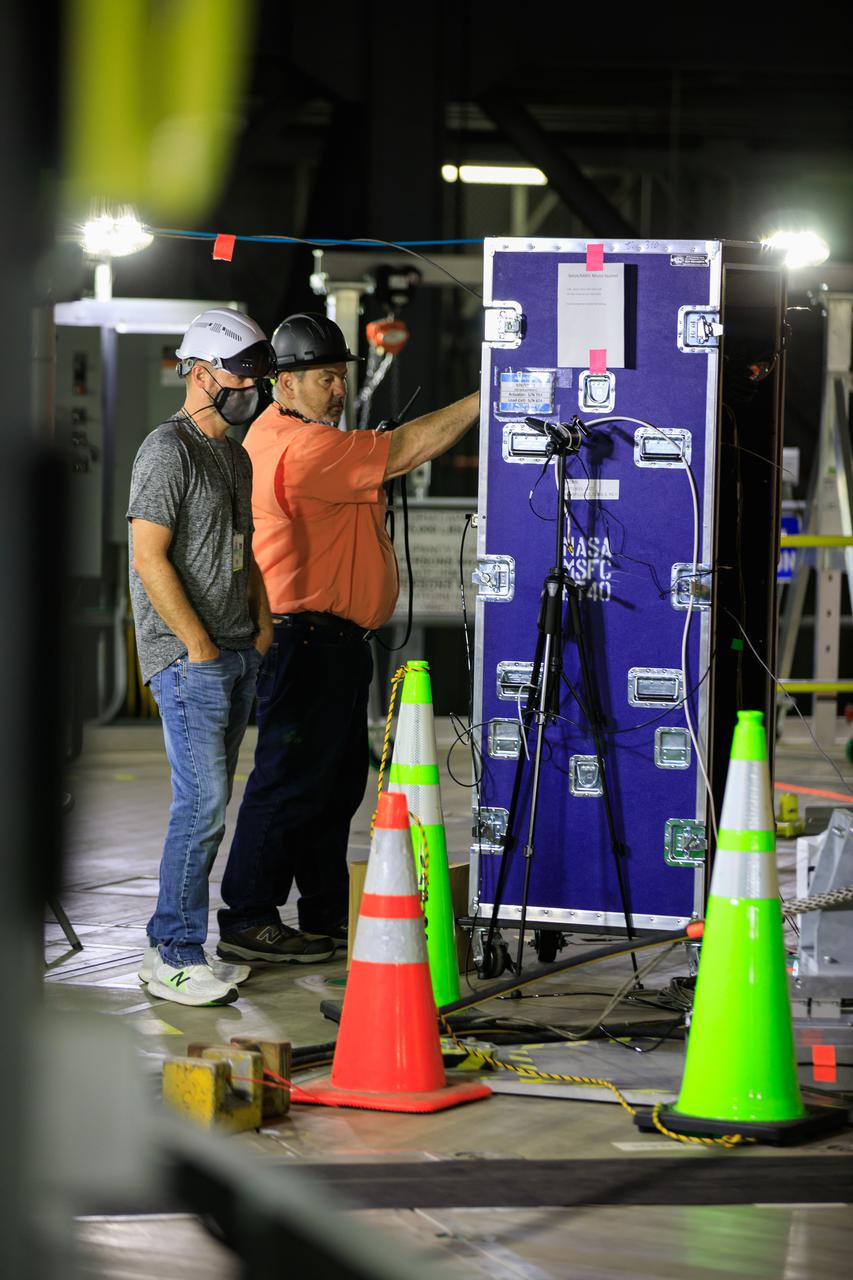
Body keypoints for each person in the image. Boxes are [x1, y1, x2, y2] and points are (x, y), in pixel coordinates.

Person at [216, 312, 479, 963]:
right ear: (284, 383)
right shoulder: (303, 447)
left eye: (339, 377)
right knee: (290, 777)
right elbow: (405, 450)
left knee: (332, 784)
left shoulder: (298, 438)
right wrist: (486, 395)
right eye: (326, 378)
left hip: (326, 642)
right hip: (304, 639)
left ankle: (325, 911)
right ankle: (249, 914)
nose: (338, 390)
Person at [127, 307, 290, 1007]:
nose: (251, 389)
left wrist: (260, 624)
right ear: (201, 373)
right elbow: (147, 553)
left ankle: (175, 938)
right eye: (242, 374)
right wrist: (194, 643)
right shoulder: (166, 451)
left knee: (210, 803)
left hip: (232, 652)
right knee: (202, 806)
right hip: (190, 659)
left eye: (258, 377)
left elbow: (243, 547)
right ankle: (173, 952)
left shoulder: (234, 452)